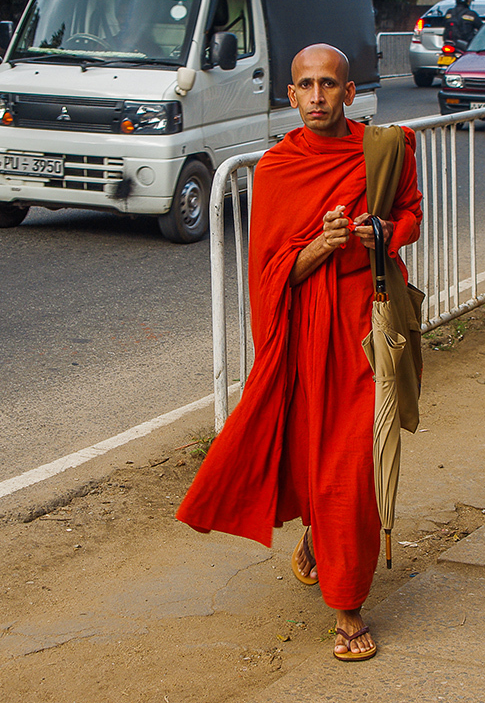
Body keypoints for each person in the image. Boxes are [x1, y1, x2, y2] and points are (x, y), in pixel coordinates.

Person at [176, 44, 422, 663]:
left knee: (354, 469)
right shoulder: (280, 167)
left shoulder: (385, 149)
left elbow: (412, 215)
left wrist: (383, 231)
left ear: (349, 91)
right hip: (307, 334)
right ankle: (320, 534)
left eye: (329, 85)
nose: (317, 97)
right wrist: (320, 246)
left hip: (366, 330)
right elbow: (267, 270)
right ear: (290, 95)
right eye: (306, 86)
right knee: (316, 452)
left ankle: (347, 606)